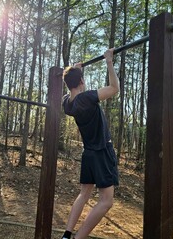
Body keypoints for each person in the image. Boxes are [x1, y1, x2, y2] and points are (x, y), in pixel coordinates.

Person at [61, 48, 119, 239]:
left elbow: (71, 91)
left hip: (89, 153)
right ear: (80, 82)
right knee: (106, 200)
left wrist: (76, 72)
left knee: (84, 194)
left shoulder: (68, 104)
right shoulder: (86, 98)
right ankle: (78, 238)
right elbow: (114, 89)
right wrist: (109, 61)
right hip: (102, 151)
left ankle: (67, 235)